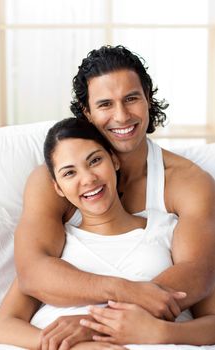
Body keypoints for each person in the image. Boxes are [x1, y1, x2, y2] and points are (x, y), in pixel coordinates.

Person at [14, 45, 215, 346]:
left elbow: (198, 273)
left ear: (148, 98)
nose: (121, 116)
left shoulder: (188, 182)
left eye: (131, 99)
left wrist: (94, 324)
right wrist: (121, 293)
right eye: (105, 104)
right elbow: (32, 271)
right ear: (87, 113)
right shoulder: (53, 181)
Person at [0, 118, 215, 350]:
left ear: (114, 161)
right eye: (69, 173)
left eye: (95, 160)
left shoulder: (167, 229)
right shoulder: (59, 245)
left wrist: (163, 332)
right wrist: (73, 346)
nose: (88, 179)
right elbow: (4, 326)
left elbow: (211, 321)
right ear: (57, 187)